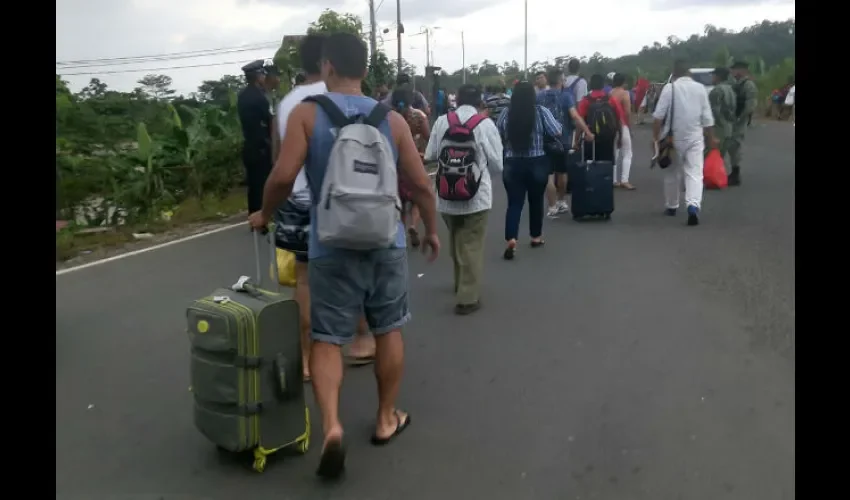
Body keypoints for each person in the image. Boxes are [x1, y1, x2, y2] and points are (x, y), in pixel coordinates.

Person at [249, 32, 440, 479]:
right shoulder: (390, 120)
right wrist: (430, 231)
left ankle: (332, 426)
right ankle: (386, 417)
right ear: (365, 70)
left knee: (327, 339)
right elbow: (421, 184)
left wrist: (266, 213)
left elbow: (281, 177)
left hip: (330, 244)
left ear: (328, 66)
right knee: (389, 330)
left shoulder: (306, 115)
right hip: (385, 241)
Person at [273, 35, 377, 381]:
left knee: (303, 280)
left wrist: (265, 208)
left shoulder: (288, 104)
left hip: (299, 199)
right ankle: (361, 337)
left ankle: (305, 359)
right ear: (327, 62)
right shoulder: (342, 98)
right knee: (355, 266)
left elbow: (281, 162)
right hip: (345, 200)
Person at [425, 84, 503, 314]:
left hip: (447, 194)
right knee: (471, 244)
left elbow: (430, 154)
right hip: (476, 195)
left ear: (456, 100)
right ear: (480, 101)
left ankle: (460, 283)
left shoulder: (441, 122)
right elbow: (498, 164)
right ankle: (467, 298)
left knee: (457, 239)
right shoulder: (485, 125)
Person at [496, 81, 562, 260]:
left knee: (514, 203)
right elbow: (557, 131)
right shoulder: (541, 112)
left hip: (512, 163)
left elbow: (498, 133)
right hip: (537, 162)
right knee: (536, 201)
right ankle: (536, 236)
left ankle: (511, 238)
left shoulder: (506, 113)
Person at [652, 59, 719, 226]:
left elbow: (658, 116)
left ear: (674, 73)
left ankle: (672, 205)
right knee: (695, 172)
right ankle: (693, 206)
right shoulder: (700, 89)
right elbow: (707, 118)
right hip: (695, 137)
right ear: (689, 72)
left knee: (671, 172)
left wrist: (655, 138)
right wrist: (712, 139)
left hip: (672, 138)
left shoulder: (670, 88)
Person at [537, 68, 594, 218]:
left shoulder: (539, 96)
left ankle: (552, 206)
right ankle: (562, 201)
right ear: (561, 81)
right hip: (562, 140)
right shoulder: (566, 97)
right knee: (562, 172)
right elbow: (575, 116)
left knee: (548, 175)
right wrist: (587, 132)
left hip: (543, 140)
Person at [391, 88, 430, 248]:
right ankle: (413, 225)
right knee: (417, 199)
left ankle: (399, 236)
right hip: (416, 160)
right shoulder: (420, 116)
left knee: (399, 201)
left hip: (395, 164)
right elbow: (429, 137)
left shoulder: (389, 117)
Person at [237, 59, 277, 213]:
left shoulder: (243, 95)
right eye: (262, 74)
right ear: (258, 76)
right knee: (263, 184)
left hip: (249, 146)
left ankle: (254, 216)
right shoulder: (260, 97)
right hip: (261, 147)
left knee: (254, 185)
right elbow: (270, 121)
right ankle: (264, 217)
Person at [576, 74, 626, 164]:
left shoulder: (586, 100)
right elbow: (619, 119)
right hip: (608, 137)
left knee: (590, 164)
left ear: (590, 84)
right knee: (607, 165)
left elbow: (580, 122)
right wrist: (620, 137)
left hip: (590, 137)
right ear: (603, 85)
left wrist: (576, 140)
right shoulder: (611, 99)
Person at [728, 61, 758, 186]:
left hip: (739, 120)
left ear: (742, 70)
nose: (733, 72)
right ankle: (733, 172)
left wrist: (740, 119)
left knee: (735, 146)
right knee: (731, 146)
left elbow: (750, 105)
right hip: (733, 119)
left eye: (735, 69)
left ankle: (735, 174)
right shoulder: (736, 84)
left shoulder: (748, 85)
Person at [708, 67, 737, 175]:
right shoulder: (730, 89)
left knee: (711, 153)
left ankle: (712, 177)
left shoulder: (716, 91)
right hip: (728, 127)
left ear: (718, 77)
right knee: (721, 155)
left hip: (718, 128)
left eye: (713, 75)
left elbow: (714, 111)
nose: (712, 78)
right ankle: (718, 176)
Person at [609, 73, 635, 189]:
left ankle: (614, 180)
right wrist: (630, 127)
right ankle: (624, 180)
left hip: (610, 126)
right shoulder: (625, 94)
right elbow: (627, 113)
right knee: (627, 153)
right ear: (623, 82)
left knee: (614, 153)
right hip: (622, 125)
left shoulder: (609, 93)